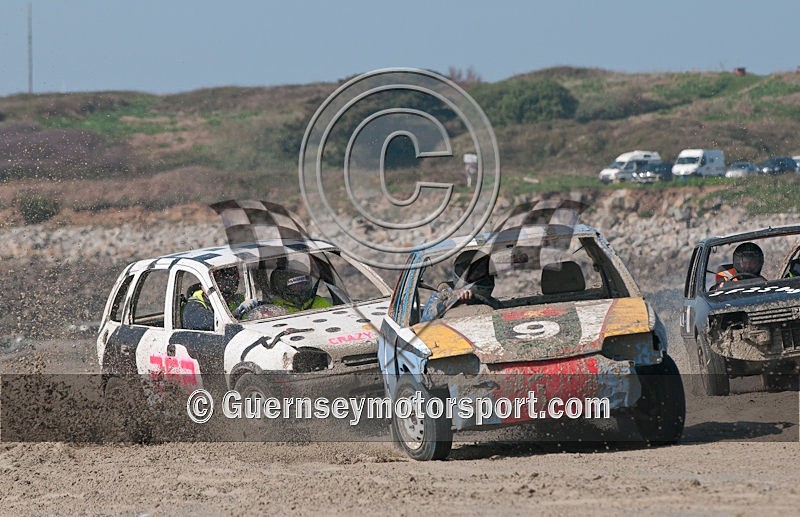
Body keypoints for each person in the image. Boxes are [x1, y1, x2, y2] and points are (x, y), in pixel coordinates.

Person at [421, 250, 497, 322]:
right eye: (474, 269)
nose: (477, 272)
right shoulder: (443, 296)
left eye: (482, 269)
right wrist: (453, 301)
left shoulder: (489, 300)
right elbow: (425, 320)